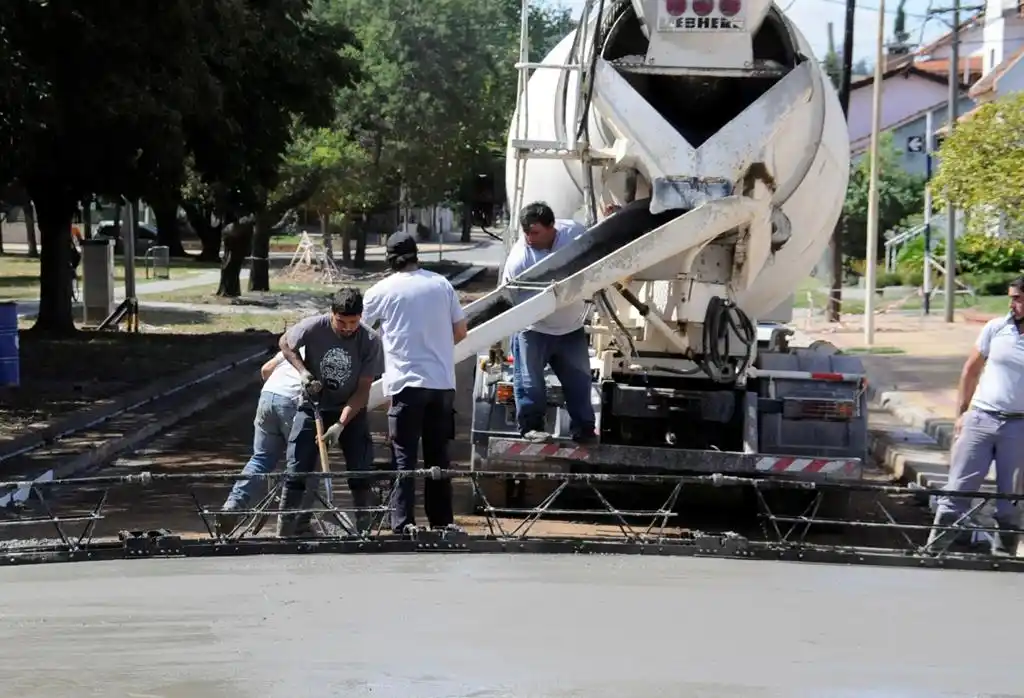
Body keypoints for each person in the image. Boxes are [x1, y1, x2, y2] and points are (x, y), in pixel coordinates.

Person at [362, 231, 468, 535]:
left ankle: (404, 523)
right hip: (442, 385)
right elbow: (461, 331)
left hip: (406, 385)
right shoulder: (441, 284)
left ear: (389, 259)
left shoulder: (381, 291)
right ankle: (442, 522)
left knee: (404, 457)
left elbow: (360, 330)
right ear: (416, 255)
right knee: (438, 457)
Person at [928, 275, 1024, 555]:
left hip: (1018, 428)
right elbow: (970, 371)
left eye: (1017, 298)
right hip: (980, 419)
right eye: (1011, 298)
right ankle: (934, 552)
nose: (1011, 304)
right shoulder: (995, 328)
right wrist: (962, 414)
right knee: (957, 490)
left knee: (1011, 500)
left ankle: (1003, 559)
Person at [277, 287, 384, 537]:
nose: (348, 328)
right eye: (341, 322)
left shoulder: (370, 341)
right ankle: (286, 529)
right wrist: (303, 372)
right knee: (297, 468)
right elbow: (285, 342)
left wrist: (340, 424)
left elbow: (363, 390)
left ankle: (364, 530)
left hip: (350, 411)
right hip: (312, 407)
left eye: (353, 322)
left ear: (361, 317)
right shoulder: (314, 327)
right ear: (331, 314)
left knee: (360, 470)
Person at [502, 201, 596, 444]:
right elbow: (509, 302)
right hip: (534, 329)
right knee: (530, 383)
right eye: (526, 232)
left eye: (535, 232)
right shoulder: (519, 260)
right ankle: (531, 427)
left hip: (571, 327)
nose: (529, 238)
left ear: (552, 227)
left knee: (579, 381)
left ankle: (584, 429)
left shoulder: (575, 235)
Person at [215, 348, 304, 533]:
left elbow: (266, 370)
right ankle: (293, 520)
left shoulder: (295, 344)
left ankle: (232, 506)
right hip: (293, 400)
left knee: (261, 458)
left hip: (268, 396)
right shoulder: (324, 345)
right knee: (302, 461)